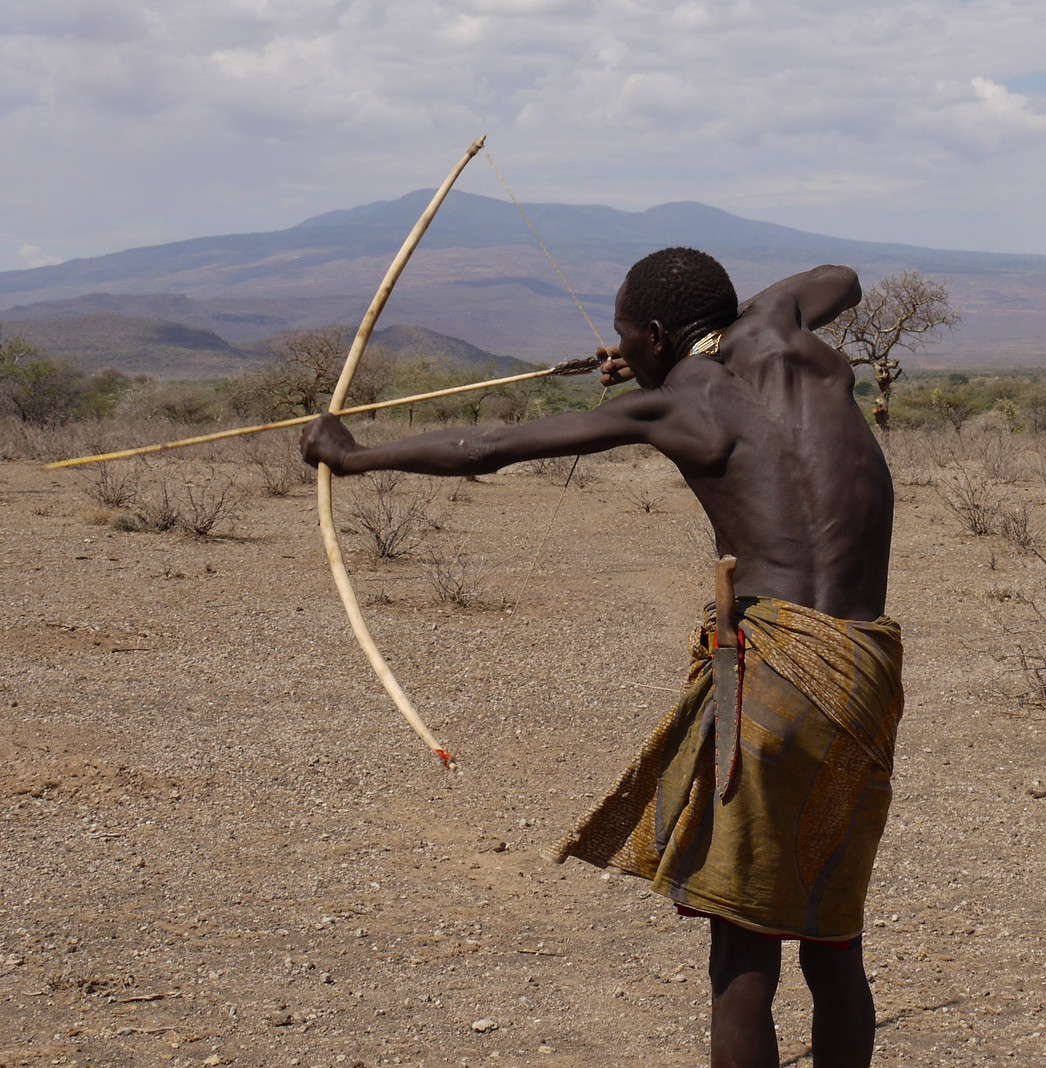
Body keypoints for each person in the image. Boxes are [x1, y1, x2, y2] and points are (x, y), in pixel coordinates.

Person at [300, 247, 902, 1068]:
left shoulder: (682, 405)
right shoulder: (781, 327)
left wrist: (351, 454)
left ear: (654, 334)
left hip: (776, 674)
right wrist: (692, 344)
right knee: (832, 940)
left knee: (745, 951)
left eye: (629, 338)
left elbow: (488, 448)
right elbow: (840, 276)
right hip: (864, 667)